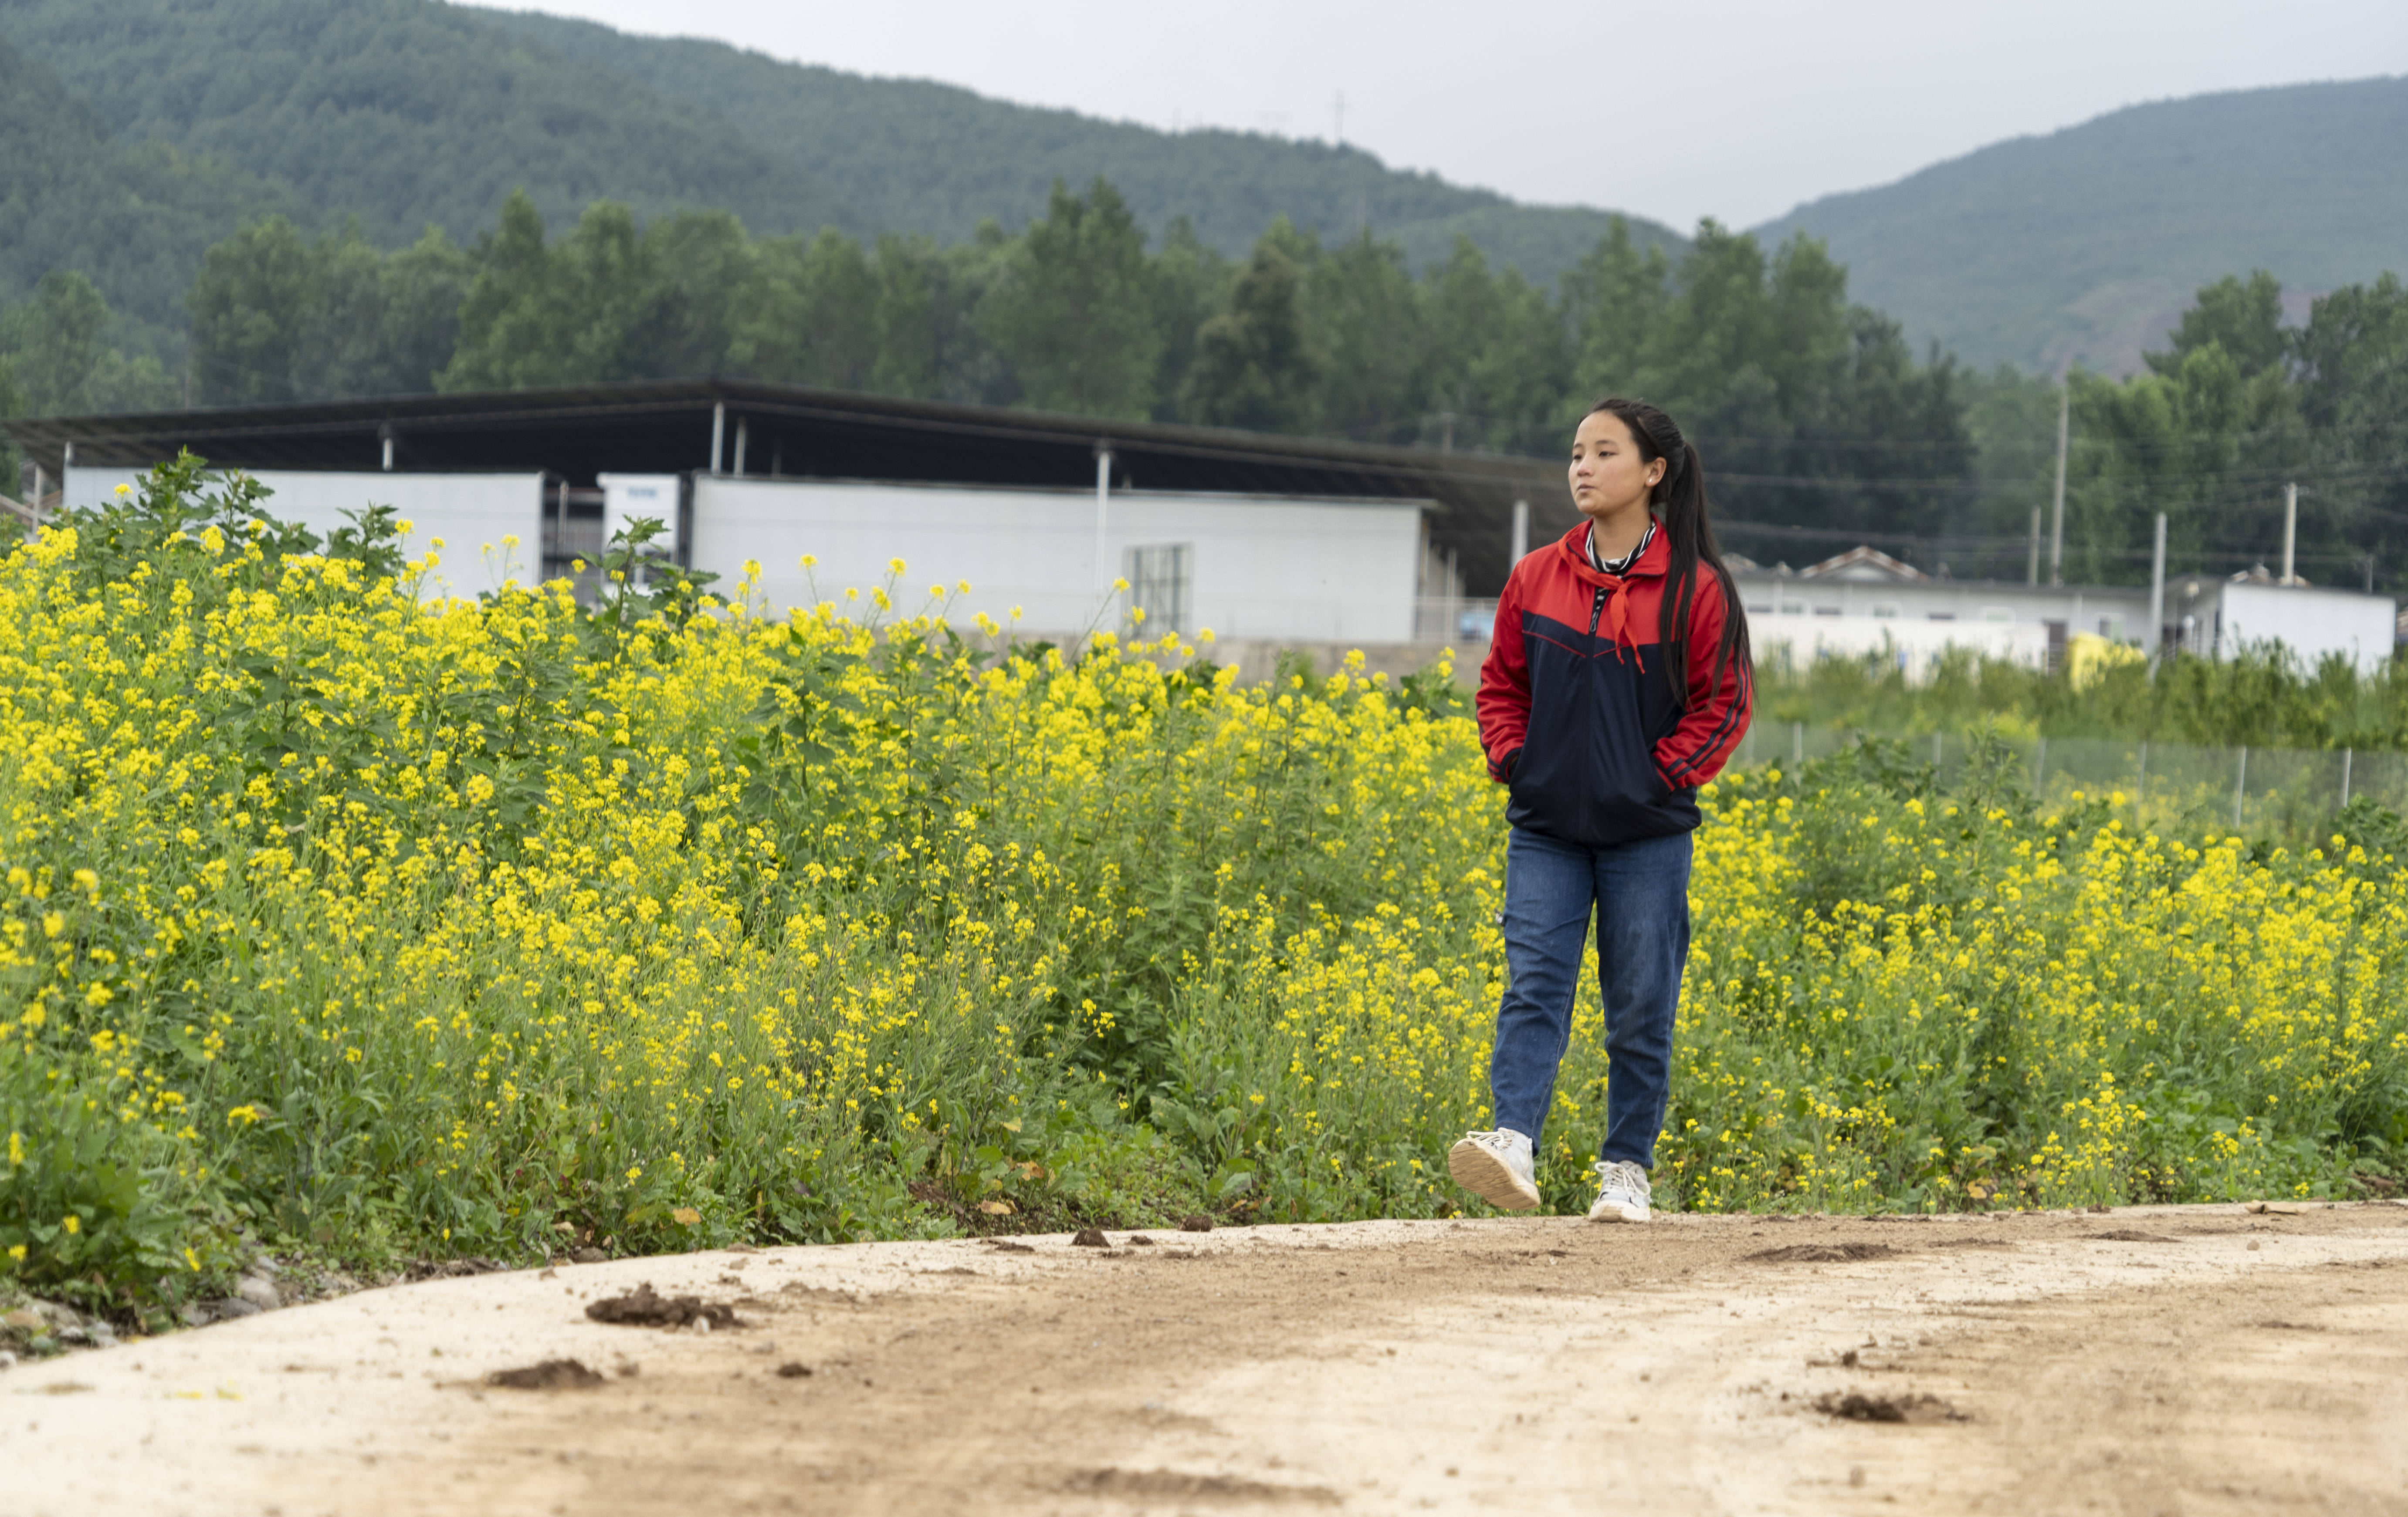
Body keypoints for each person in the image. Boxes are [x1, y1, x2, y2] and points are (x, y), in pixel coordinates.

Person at [1448, 398, 1751, 1223]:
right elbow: (1501, 686)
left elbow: (1722, 707)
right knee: (1534, 986)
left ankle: (1626, 1171)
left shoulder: (1697, 590)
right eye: (1576, 453)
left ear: (1653, 472)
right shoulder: (1537, 575)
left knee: (1640, 1004)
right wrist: (1518, 762)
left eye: (1603, 452)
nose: (1582, 466)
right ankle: (1512, 1142)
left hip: (1645, 836)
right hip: (1546, 828)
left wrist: (1651, 780)